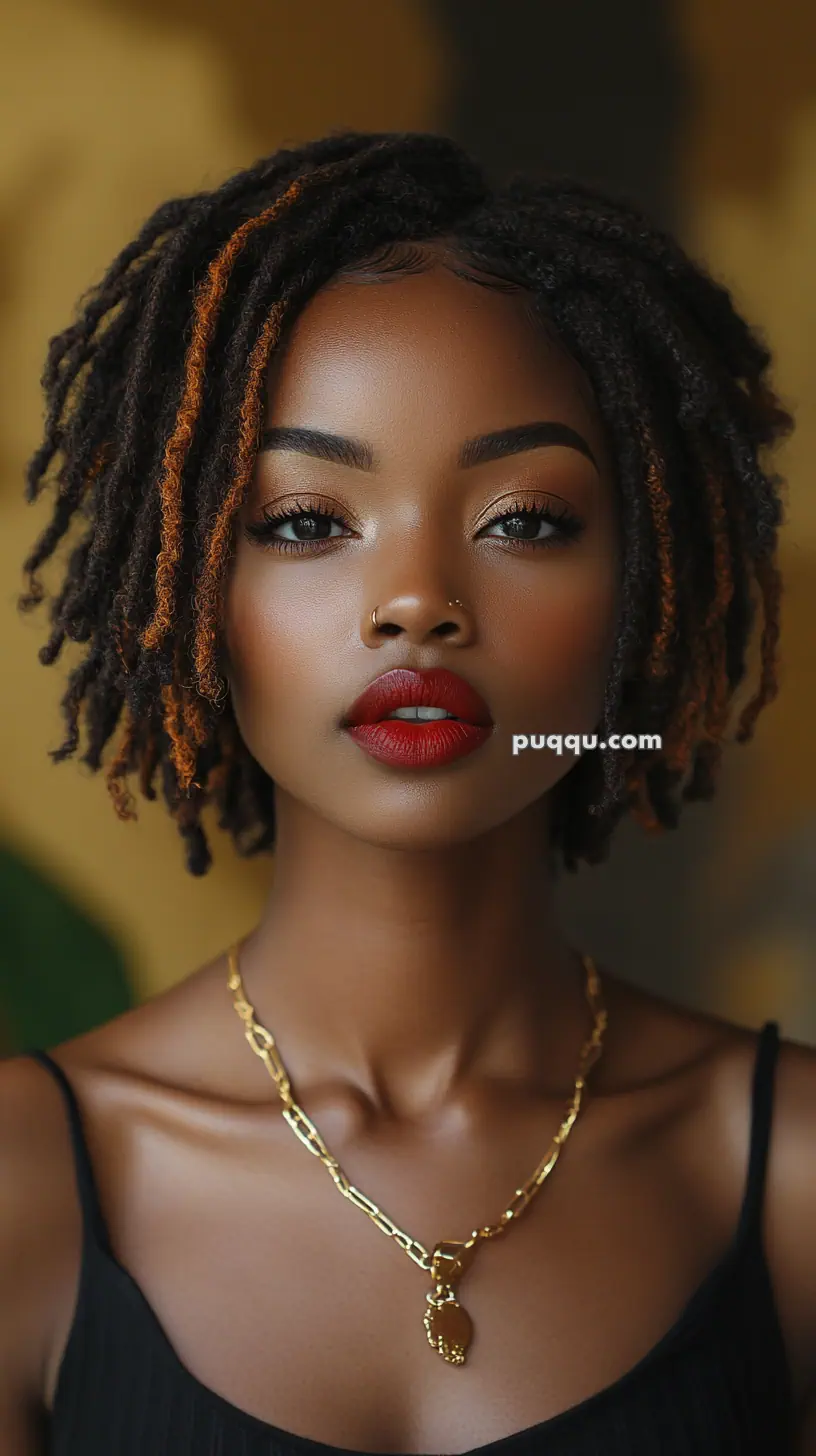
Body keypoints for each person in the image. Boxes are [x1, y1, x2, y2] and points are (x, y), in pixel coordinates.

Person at [1, 128, 814, 1454]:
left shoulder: (782, 1175)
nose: (418, 604)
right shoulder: (29, 1181)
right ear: (191, 586)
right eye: (307, 521)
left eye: (525, 520)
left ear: (646, 590)